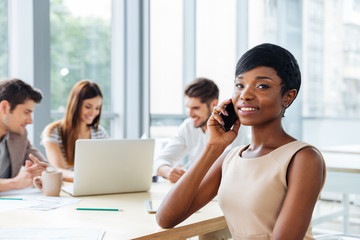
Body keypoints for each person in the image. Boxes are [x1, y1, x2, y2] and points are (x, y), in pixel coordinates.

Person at [156, 43, 326, 240]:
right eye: (240, 85)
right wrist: (213, 147)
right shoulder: (230, 157)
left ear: (288, 97)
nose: (245, 95)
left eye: (262, 85)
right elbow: (166, 218)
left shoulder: (303, 158)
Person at [154, 78, 249, 183]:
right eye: (187, 107)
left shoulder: (233, 129)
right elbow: (159, 161)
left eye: (195, 108)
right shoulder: (187, 126)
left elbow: (232, 169)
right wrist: (169, 172)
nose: (189, 114)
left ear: (213, 104)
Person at [41, 80, 109, 182]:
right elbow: (58, 170)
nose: (93, 112)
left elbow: (108, 165)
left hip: (94, 185)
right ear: (75, 104)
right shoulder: (53, 131)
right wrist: (86, 178)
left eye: (97, 108)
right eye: (88, 107)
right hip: (69, 188)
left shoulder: (100, 132)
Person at [0, 78, 48, 192]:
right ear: (5, 107)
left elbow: (45, 166)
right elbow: (16, 183)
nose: (30, 121)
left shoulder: (19, 135)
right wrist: (14, 183)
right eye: (26, 112)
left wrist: (42, 174)